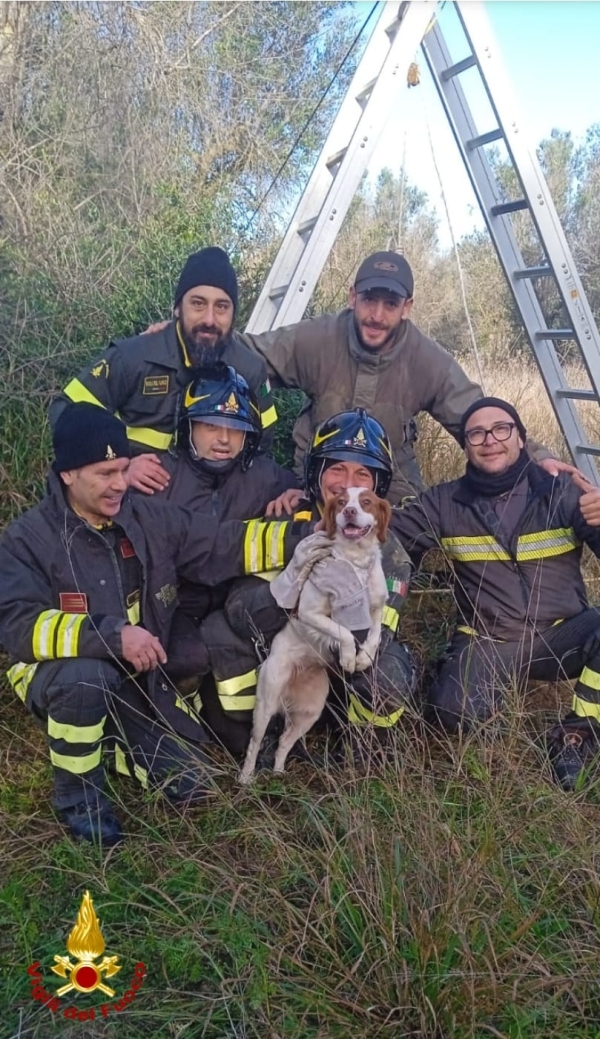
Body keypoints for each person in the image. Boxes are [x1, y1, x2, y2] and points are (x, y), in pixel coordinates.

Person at [0, 404, 323, 844]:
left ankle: (110, 739)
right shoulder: (26, 539)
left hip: (137, 678)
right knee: (86, 678)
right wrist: (112, 636)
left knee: (194, 786)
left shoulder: (147, 517)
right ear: (68, 474)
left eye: (122, 469)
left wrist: (308, 538)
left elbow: (224, 543)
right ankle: (81, 799)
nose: (120, 484)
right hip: (57, 672)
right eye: (104, 473)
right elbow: (19, 626)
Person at [389, 396, 600, 789]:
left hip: (564, 632)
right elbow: (389, 537)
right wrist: (331, 508)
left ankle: (578, 735)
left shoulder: (562, 491)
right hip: (490, 639)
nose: (490, 439)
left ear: (521, 438)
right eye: (476, 433)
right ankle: (452, 675)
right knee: (452, 714)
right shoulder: (443, 502)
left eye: (501, 429)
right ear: (466, 445)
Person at [198, 409, 417, 755]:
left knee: (386, 674)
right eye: (337, 469)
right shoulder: (281, 518)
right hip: (286, 653)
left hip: (345, 666)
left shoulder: (389, 551)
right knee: (220, 633)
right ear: (316, 473)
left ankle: (364, 749)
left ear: (378, 485)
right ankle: (263, 736)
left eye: (362, 473)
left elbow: (376, 633)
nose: (347, 483)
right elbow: (243, 611)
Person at [50, 247, 278, 495]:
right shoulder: (134, 357)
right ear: (178, 308)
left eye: (222, 306)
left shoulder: (250, 370)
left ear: (234, 313)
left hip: (203, 509)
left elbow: (259, 448)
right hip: (128, 500)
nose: (210, 319)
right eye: (198, 304)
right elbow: (66, 412)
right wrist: (119, 468)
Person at [156, 363, 297, 680]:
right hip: (174, 606)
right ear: (188, 427)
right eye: (210, 426)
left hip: (231, 610)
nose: (223, 439)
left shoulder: (263, 477)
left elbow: (313, 498)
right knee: (182, 661)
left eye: (235, 428)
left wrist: (296, 496)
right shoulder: (159, 476)